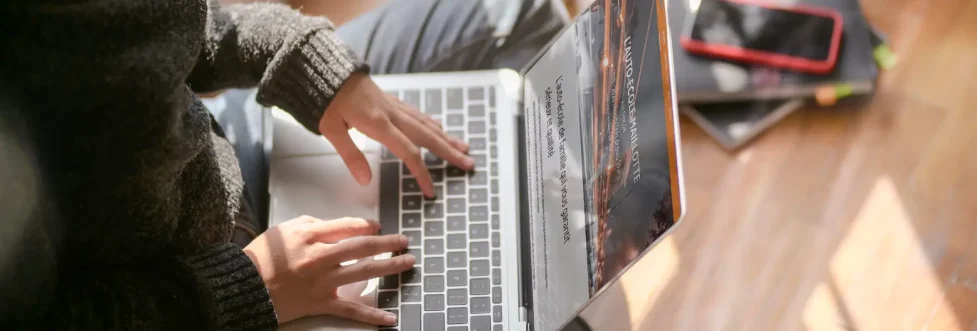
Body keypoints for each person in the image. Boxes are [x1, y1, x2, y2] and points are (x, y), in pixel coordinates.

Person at [0, 0, 564, 329]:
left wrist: (305, 63)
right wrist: (248, 290)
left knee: (515, 11)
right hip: (202, 298)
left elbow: (171, 29)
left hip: (225, 157)